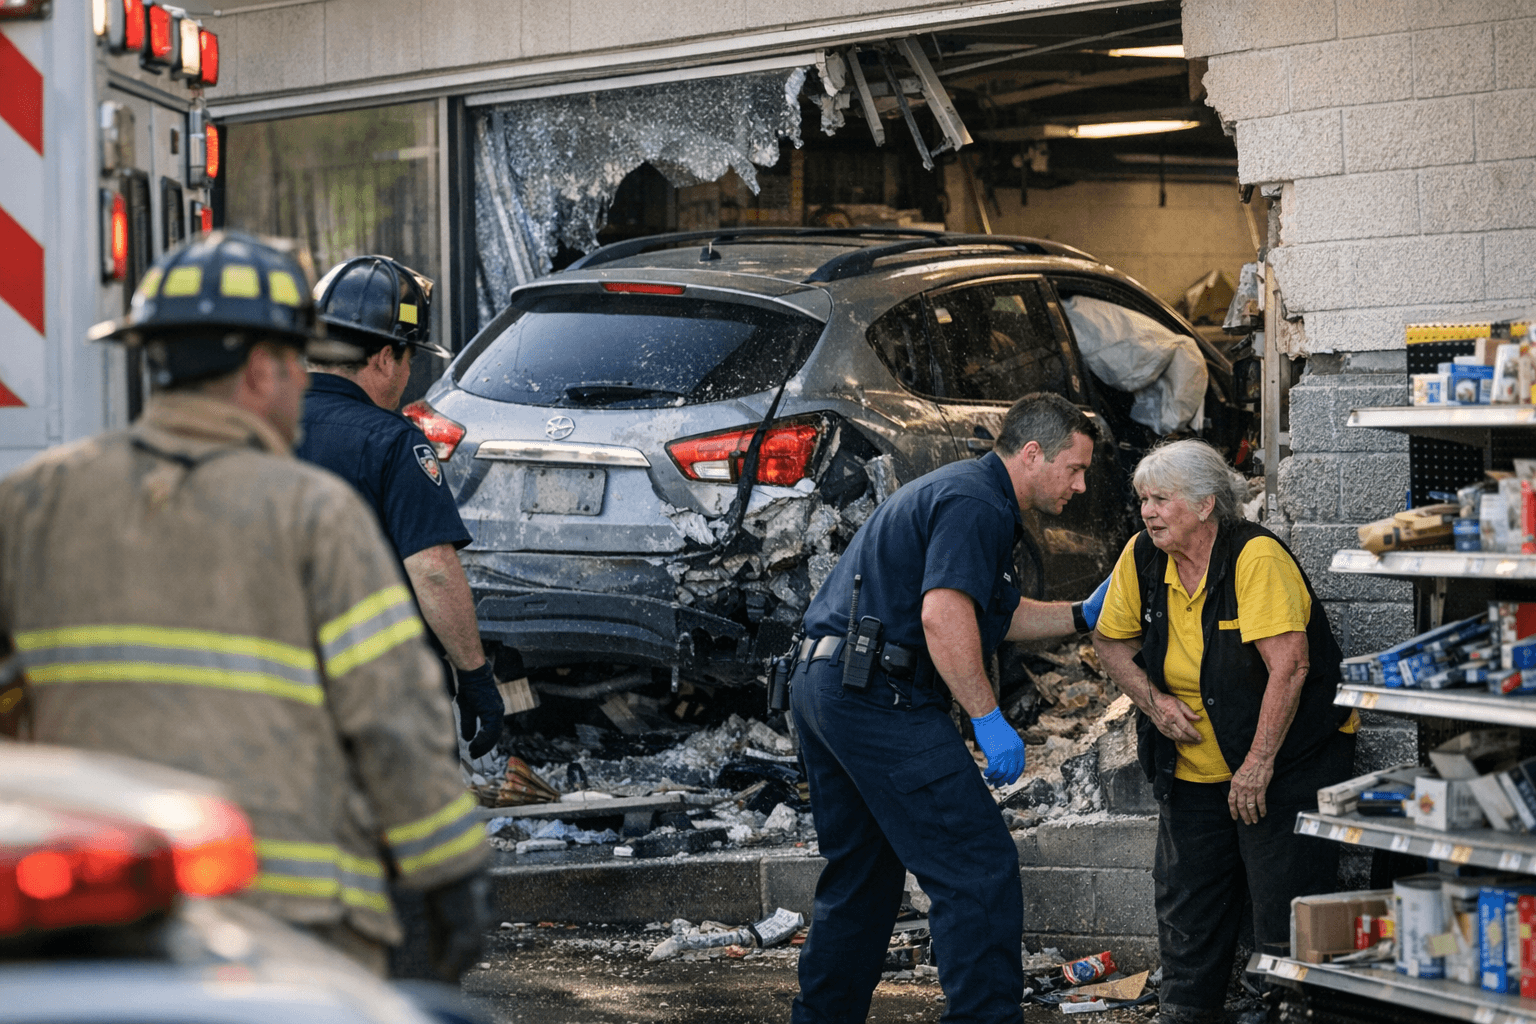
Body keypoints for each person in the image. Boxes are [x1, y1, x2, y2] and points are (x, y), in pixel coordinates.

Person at [0, 232, 490, 980]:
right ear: (264, 368)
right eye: (297, 362)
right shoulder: (313, 514)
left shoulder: (31, 504)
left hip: (94, 932)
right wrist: (448, 876)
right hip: (290, 936)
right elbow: (393, 718)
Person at [790, 392, 1109, 1024]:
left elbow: (993, 614)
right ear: (1032, 452)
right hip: (878, 697)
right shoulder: (979, 503)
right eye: (1074, 469)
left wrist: (1079, 615)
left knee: (862, 876)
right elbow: (944, 614)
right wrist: (989, 718)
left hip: (827, 685)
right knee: (977, 867)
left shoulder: (966, 492)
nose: (1079, 486)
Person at [1090, 439, 1356, 1024]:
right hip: (1192, 765)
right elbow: (1109, 641)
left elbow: (1291, 666)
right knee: (1188, 902)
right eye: (1143, 500)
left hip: (1285, 762)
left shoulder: (1255, 558)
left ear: (1207, 504)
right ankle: (1186, 1011)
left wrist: (1259, 764)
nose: (1149, 512)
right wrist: (1153, 701)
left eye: (1162, 499)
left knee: (1282, 900)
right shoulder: (1142, 556)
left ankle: (1289, 1011)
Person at [293, 256, 504, 760]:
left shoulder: (256, 426)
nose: (409, 376)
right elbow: (432, 570)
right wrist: (475, 674)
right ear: (385, 357)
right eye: (411, 361)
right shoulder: (393, 442)